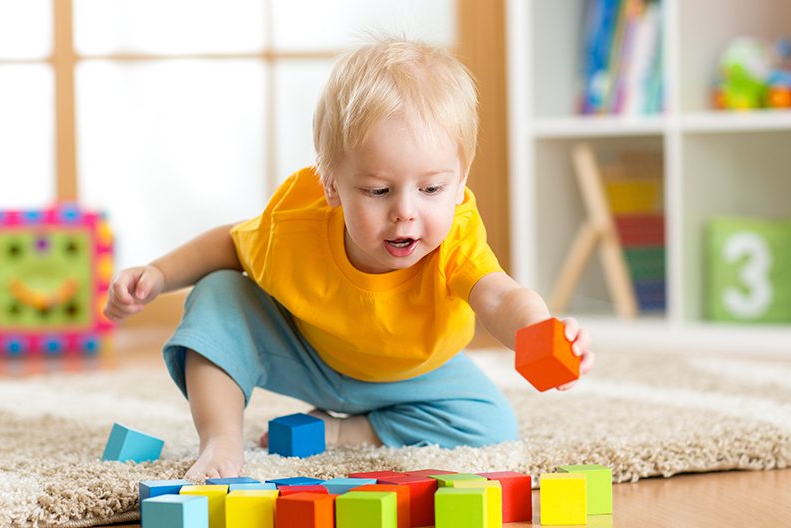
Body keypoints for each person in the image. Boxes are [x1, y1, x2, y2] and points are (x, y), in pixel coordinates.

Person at [103, 37, 594, 480]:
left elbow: (500, 296)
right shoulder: (298, 220)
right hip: (306, 353)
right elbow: (231, 243)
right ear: (332, 185)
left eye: (431, 189)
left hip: (412, 375)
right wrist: (160, 273)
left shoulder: (455, 240)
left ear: (460, 182)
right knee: (218, 291)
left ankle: (346, 432)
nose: (406, 212)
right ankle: (221, 439)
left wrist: (538, 328)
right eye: (378, 190)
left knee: (493, 422)